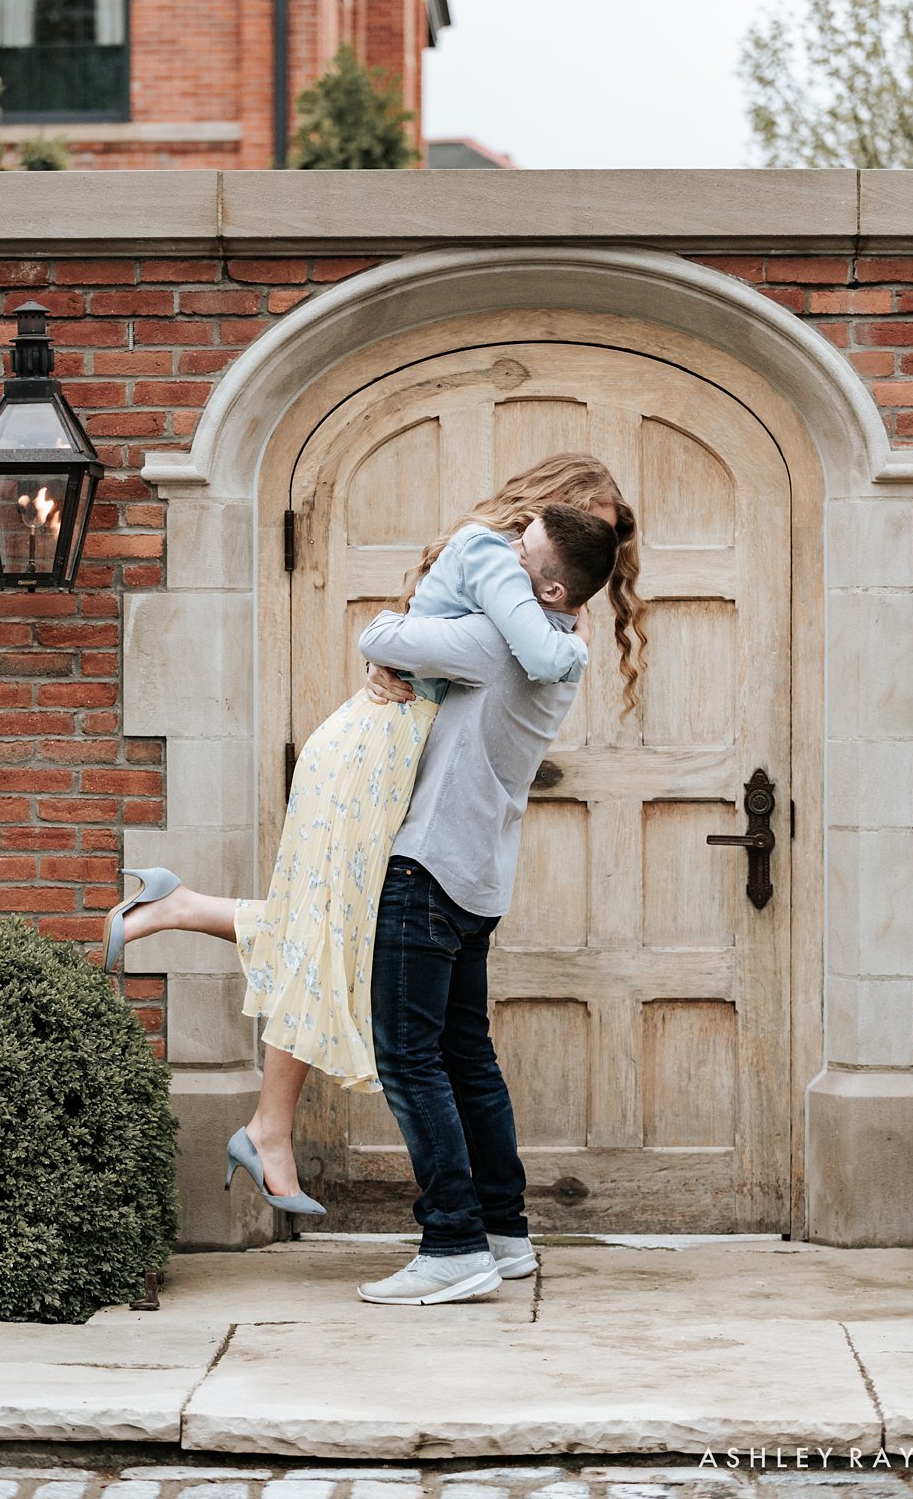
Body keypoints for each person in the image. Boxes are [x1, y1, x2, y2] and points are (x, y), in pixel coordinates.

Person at [103, 453, 646, 1214]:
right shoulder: (499, 573)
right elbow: (406, 635)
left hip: (387, 749)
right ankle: (270, 1125)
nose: (598, 545)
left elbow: (413, 638)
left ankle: (183, 916)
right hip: (369, 753)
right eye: (586, 526)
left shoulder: (505, 599)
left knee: (332, 929)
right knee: (333, 933)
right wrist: (559, 635)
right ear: (544, 512)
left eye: (606, 538)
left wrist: (402, 647)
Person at [349, 502, 619, 1303]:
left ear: (549, 589)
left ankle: (453, 1244)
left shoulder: (497, 640)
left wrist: (396, 635)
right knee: (468, 1058)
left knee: (409, 1059)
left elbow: (382, 637)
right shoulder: (559, 650)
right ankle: (505, 1233)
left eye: (519, 555)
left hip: (425, 867)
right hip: (475, 878)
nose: (502, 555)